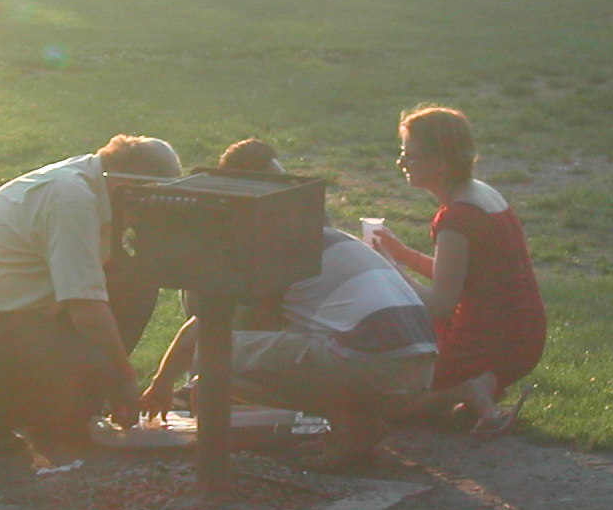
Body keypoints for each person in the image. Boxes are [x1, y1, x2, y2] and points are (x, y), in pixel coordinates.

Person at [138, 139, 436, 465]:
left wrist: (161, 385)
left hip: (370, 365)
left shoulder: (276, 253)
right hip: (421, 367)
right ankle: (355, 427)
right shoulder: (329, 238)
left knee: (211, 356)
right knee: (286, 350)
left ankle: (353, 426)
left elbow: (207, 330)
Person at [0, 134, 181, 455]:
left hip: (8, 318)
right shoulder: (72, 198)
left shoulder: (94, 188)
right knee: (92, 366)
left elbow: (109, 282)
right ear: (126, 184)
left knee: (135, 287)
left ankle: (61, 419)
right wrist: (122, 377)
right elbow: (86, 309)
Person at [372, 106, 546, 436]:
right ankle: (479, 391)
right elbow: (463, 275)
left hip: (487, 340)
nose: (401, 163)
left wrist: (390, 269)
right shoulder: (482, 194)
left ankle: (463, 389)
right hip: (524, 334)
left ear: (439, 162)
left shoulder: (456, 218)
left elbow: (440, 305)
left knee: (386, 403)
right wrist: (403, 254)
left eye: (410, 155)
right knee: (414, 352)